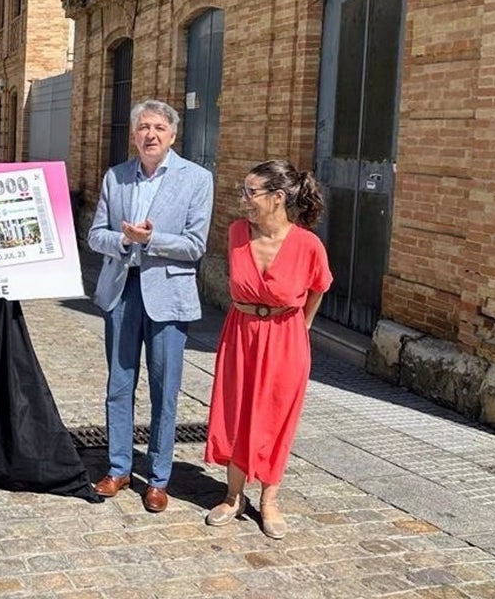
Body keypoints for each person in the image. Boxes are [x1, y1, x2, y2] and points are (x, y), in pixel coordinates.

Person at [86, 99, 213, 513]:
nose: (151, 135)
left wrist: (151, 240)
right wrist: (123, 240)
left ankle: (158, 478)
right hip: (122, 291)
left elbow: (195, 246)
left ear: (173, 135)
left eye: (159, 127)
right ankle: (119, 467)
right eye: (143, 127)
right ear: (134, 134)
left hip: (168, 296)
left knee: (165, 389)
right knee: (119, 386)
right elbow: (96, 235)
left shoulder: (196, 180)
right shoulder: (116, 177)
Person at [203, 160, 332, 540]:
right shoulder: (237, 233)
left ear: (278, 198)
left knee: (277, 416)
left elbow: (318, 288)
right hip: (240, 333)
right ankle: (233, 495)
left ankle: (270, 500)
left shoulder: (308, 244)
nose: (244, 199)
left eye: (251, 192)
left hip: (285, 339)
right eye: (243, 190)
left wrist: (300, 329)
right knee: (235, 412)